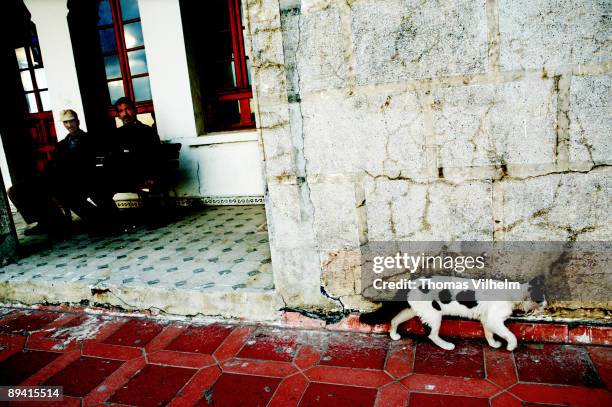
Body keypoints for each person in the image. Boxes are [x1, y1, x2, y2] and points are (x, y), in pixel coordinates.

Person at [8, 109, 99, 235]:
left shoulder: (88, 140)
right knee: (16, 190)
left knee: (56, 189)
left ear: (77, 121)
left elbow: (86, 164)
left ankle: (57, 222)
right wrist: (43, 176)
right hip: (55, 179)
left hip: (76, 179)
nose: (69, 125)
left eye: (71, 121)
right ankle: (46, 221)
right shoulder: (62, 145)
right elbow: (51, 165)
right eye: (65, 122)